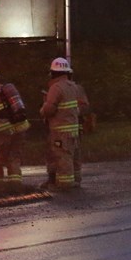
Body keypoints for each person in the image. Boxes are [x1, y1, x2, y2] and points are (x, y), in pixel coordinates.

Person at [40, 56, 91, 188]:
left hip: (60, 129)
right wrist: (75, 113)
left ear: (53, 73)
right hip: (74, 129)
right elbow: (84, 106)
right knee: (74, 154)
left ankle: (65, 184)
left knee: (62, 155)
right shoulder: (75, 87)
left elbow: (49, 110)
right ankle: (76, 180)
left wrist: (43, 108)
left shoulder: (56, 88)